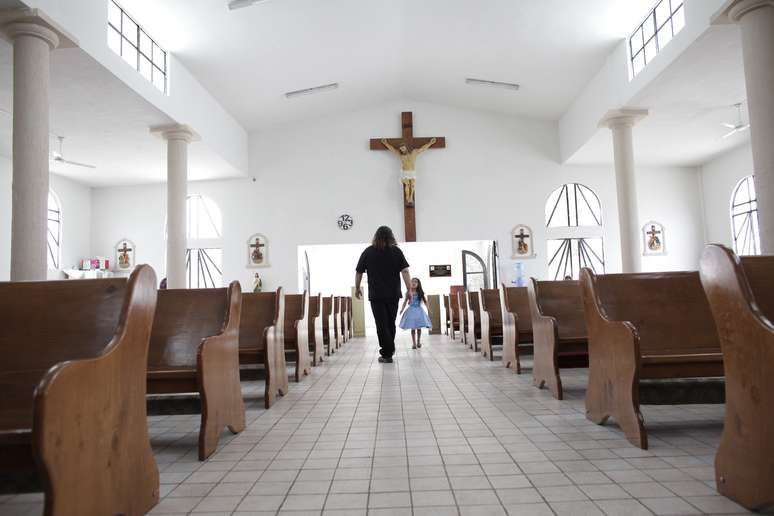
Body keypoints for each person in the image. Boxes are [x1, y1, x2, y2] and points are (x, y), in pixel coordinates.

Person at [355, 226, 411, 363]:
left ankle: (387, 352)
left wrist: (357, 288)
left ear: (376, 236)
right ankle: (389, 350)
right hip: (393, 294)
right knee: (390, 323)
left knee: (381, 324)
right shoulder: (396, 251)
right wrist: (409, 289)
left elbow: (359, 272)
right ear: (391, 236)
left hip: (376, 295)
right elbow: (405, 271)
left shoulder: (368, 252)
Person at [399, 278, 432, 349]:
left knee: (419, 327)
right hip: (411, 311)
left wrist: (428, 309)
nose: (414, 283)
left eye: (415, 282)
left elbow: (425, 302)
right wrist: (402, 309)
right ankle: (414, 343)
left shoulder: (420, 293)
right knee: (413, 328)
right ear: (410, 283)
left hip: (419, 311)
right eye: (412, 282)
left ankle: (418, 341)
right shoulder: (409, 293)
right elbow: (405, 302)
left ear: (418, 284)